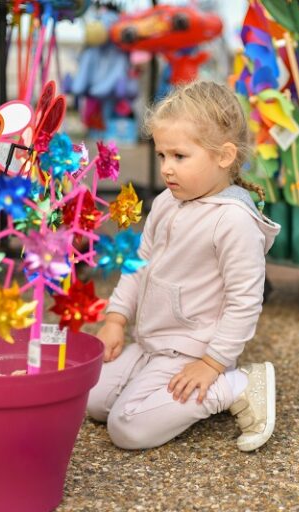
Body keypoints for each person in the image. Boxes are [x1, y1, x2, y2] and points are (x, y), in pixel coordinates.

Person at [86, 81, 280, 452]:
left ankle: (237, 386)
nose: (166, 169)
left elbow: (244, 302)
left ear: (224, 157)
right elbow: (139, 263)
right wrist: (116, 319)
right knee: (92, 400)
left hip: (194, 351)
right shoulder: (166, 202)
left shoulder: (233, 222)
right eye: (162, 156)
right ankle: (153, 385)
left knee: (127, 429)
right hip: (152, 343)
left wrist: (212, 363)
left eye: (179, 156)